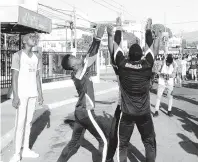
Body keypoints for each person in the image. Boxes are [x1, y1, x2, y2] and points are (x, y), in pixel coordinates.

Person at [110, 17, 160, 162]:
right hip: (144, 113)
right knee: (149, 144)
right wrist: (148, 29)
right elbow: (150, 47)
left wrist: (118, 27)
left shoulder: (122, 64)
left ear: (128, 55)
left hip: (127, 115)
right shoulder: (147, 65)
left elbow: (117, 45)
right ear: (141, 55)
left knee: (123, 146)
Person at [57, 25, 107, 162]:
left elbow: (88, 55)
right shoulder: (79, 73)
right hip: (86, 112)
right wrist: (97, 39)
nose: (77, 56)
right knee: (104, 141)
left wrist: (96, 40)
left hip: (79, 113)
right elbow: (90, 55)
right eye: (73, 58)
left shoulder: (80, 71)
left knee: (73, 143)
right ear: (73, 66)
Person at [9, 33, 43, 162]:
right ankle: (17, 153)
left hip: (33, 94)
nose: (34, 40)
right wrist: (15, 96)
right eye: (31, 38)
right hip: (22, 94)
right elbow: (14, 77)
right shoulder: (17, 56)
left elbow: (37, 77)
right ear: (24, 40)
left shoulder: (37, 57)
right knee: (20, 123)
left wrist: (40, 94)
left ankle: (27, 149)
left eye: (35, 38)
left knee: (29, 123)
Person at [105, 24, 122, 162]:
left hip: (124, 108)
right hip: (140, 109)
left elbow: (113, 52)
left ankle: (111, 157)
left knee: (114, 134)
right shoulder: (143, 67)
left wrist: (111, 35)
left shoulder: (122, 68)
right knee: (147, 138)